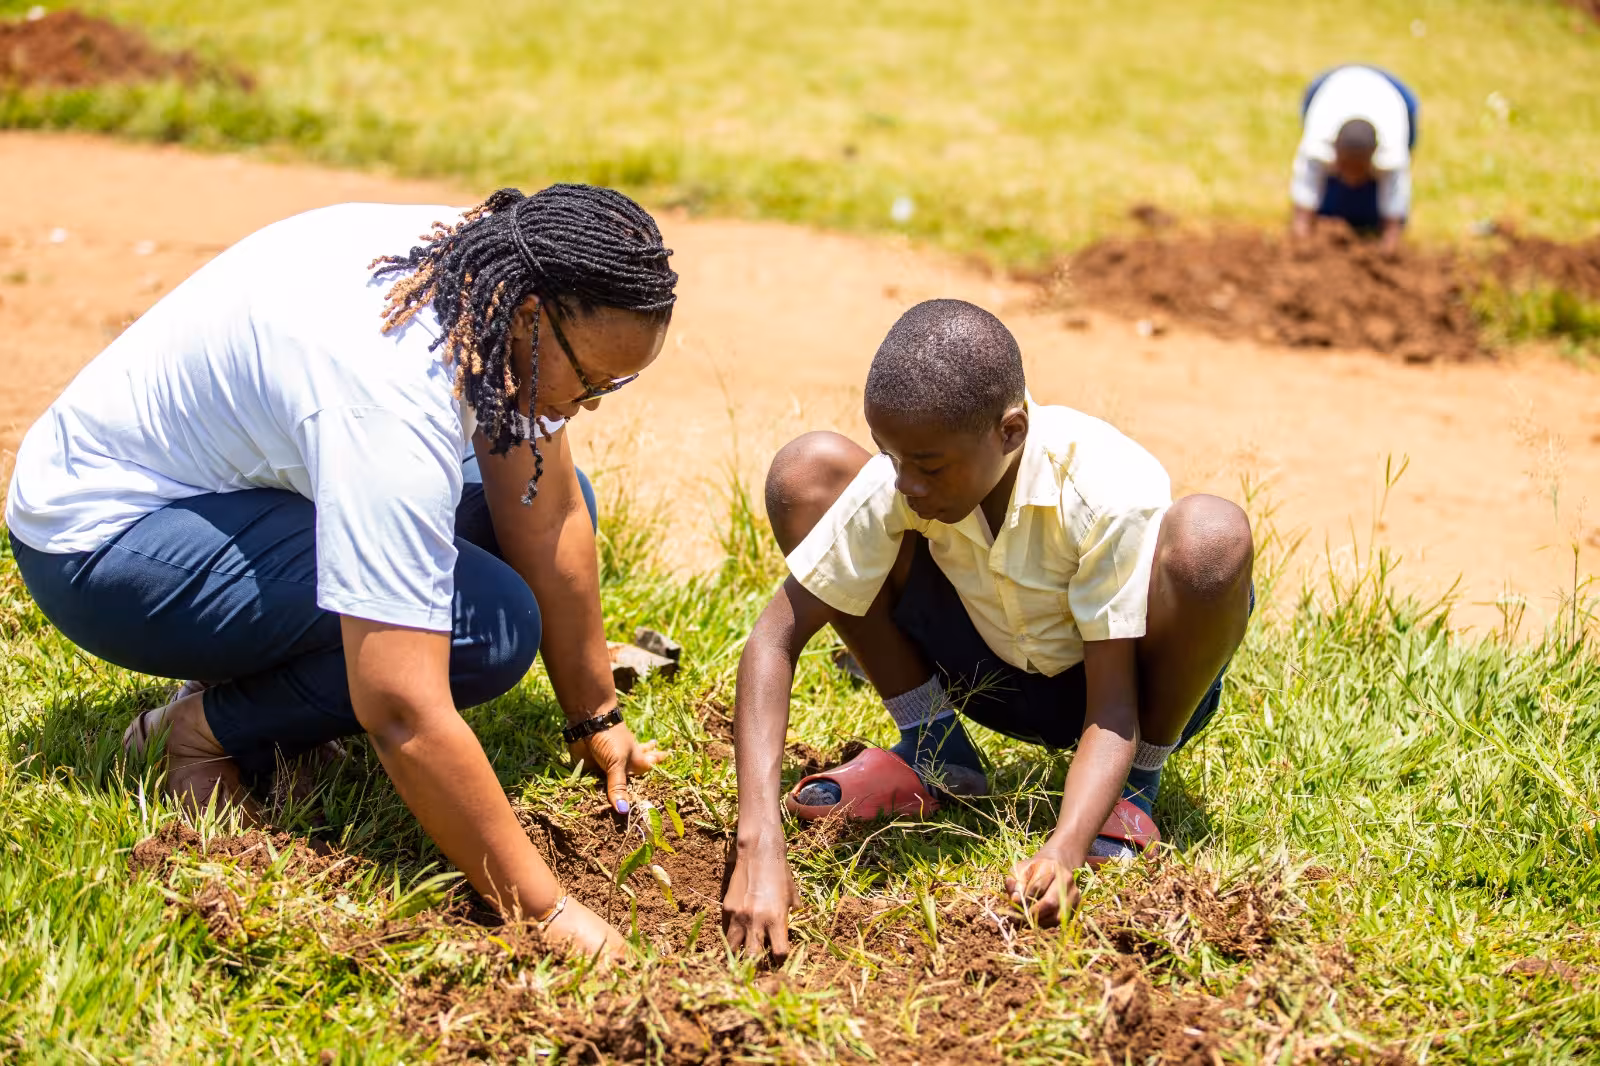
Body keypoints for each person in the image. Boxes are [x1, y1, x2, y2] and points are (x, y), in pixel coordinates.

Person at [5, 184, 679, 958]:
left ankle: (279, 685)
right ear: (530, 317)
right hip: (104, 543)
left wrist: (596, 716)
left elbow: (551, 512)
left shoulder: (490, 277)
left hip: (240, 489)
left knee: (527, 503)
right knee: (481, 628)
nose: (592, 406)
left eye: (614, 386)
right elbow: (400, 708)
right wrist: (544, 911)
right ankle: (194, 735)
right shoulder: (388, 395)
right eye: (593, 381)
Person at [721, 300, 1254, 958]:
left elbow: (1113, 706)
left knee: (1211, 538)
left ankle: (1133, 789)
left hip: (1121, 698)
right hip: (987, 669)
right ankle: (936, 750)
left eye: (928, 465)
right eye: (891, 459)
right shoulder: (909, 474)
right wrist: (760, 839)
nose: (906, 483)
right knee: (809, 473)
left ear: (1010, 431)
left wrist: (1064, 848)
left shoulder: (1106, 486)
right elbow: (774, 640)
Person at [1290, 64, 1419, 256]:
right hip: (1328, 85)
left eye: (1358, 170)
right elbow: (1306, 186)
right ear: (1334, 151)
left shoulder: (1393, 145)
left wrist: (1388, 245)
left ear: (1374, 155)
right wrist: (1302, 237)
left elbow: (1396, 194)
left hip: (1394, 91)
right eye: (1345, 168)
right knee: (1329, 209)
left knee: (1368, 216)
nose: (1351, 179)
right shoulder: (1318, 137)